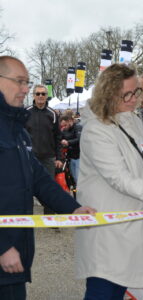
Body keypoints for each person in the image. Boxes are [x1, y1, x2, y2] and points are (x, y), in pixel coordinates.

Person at [74, 64, 143, 300]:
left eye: (136, 92)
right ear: (108, 94)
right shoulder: (96, 129)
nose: (135, 98)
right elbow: (118, 177)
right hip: (110, 228)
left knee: (124, 286)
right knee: (104, 289)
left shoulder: (130, 119)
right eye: (128, 94)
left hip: (135, 223)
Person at [0, 56, 95, 300]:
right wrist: (2, 247)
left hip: (16, 255)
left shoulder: (17, 130)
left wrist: (73, 209)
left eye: (27, 82)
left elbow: (40, 180)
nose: (26, 89)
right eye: (19, 81)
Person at [26, 84, 63, 214]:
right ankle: (27, 218)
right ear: (33, 96)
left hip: (49, 158)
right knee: (28, 188)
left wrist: (59, 158)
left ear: (47, 96)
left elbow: (58, 137)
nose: (40, 96)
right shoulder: (26, 112)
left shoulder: (53, 114)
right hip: (30, 158)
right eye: (38, 94)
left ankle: (49, 217)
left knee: (49, 188)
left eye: (43, 94)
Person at [60, 114, 82, 183]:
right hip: (70, 157)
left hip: (79, 156)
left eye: (65, 125)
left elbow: (79, 139)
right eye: (62, 126)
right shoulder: (64, 130)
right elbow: (60, 138)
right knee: (73, 177)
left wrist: (68, 142)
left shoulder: (78, 127)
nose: (64, 127)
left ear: (69, 121)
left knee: (78, 178)